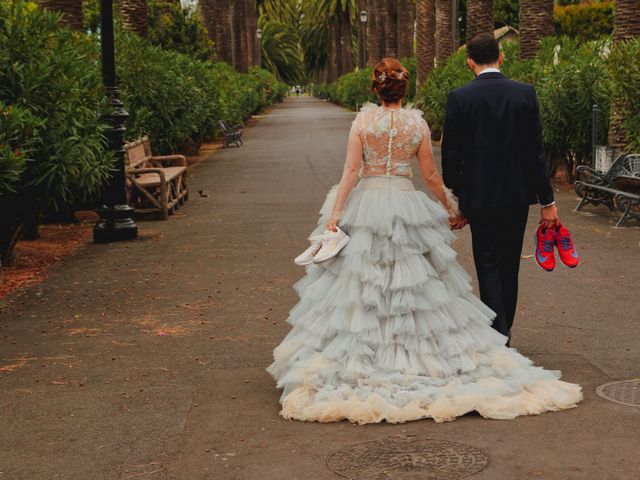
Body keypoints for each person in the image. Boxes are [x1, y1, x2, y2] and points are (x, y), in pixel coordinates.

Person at [266, 57, 582, 425]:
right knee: (418, 282)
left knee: (360, 283)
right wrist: (452, 205)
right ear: (404, 88)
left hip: (365, 204)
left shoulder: (362, 122)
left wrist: (337, 213)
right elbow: (430, 174)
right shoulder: (416, 124)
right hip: (405, 202)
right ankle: (421, 357)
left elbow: (351, 170)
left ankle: (362, 355)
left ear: (375, 88)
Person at [442, 33, 558, 346]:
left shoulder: (460, 97)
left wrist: (456, 201)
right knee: (509, 264)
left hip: (479, 199)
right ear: (501, 56)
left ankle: (499, 335)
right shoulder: (524, 93)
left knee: (488, 263)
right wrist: (548, 201)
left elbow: (451, 156)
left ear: (469, 62)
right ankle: (503, 331)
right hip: (516, 196)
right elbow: (536, 152)